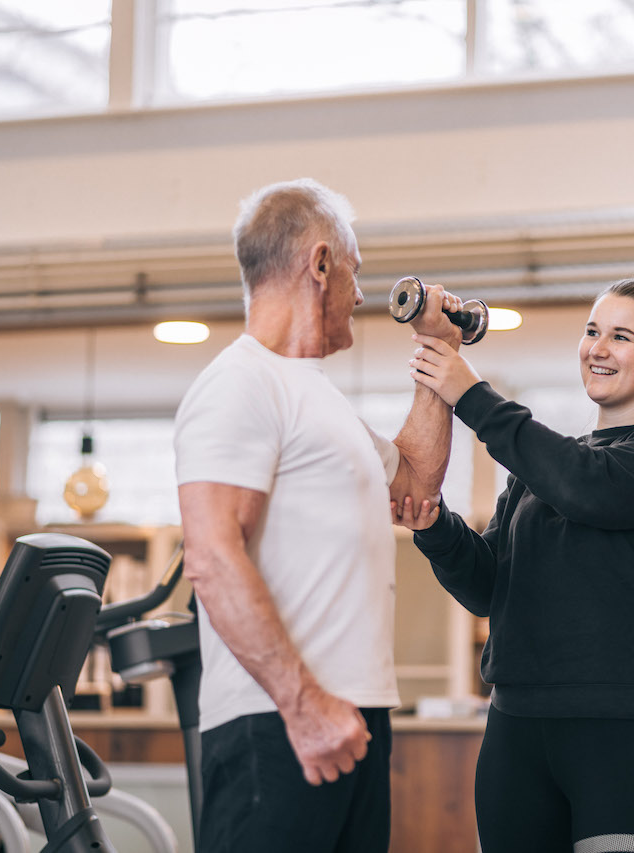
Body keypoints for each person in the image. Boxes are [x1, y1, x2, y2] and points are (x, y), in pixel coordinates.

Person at [174, 178, 462, 853]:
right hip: (277, 721)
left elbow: (416, 483)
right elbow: (212, 558)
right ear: (322, 263)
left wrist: (440, 353)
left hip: (353, 715)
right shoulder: (239, 383)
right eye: (355, 271)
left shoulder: (321, 402)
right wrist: (304, 706)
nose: (360, 296)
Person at [394, 278, 634, 853]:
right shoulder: (538, 474)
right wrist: (434, 525)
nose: (598, 348)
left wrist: (472, 395)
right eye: (592, 331)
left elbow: (587, 489)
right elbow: (488, 587)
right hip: (518, 734)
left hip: (632, 739)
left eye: (621, 336)